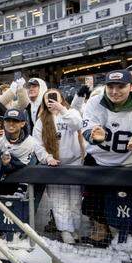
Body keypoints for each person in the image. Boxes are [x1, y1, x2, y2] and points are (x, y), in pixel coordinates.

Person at [80, 70, 132, 246]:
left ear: (131, 87)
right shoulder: (95, 101)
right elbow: (86, 128)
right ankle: (101, 233)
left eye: (120, 86)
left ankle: (129, 237)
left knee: (126, 203)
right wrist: (93, 134)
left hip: (128, 162)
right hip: (97, 159)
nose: (115, 91)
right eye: (110, 86)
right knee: (92, 202)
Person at [32, 89, 84, 244]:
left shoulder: (72, 112)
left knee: (75, 201)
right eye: (48, 99)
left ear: (61, 98)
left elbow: (77, 124)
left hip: (74, 163)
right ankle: (65, 231)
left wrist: (61, 109)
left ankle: (75, 229)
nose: (51, 101)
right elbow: (37, 143)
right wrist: (47, 158)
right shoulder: (41, 120)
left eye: (54, 97)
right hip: (55, 166)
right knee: (59, 201)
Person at [0, 108, 38, 183]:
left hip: (17, 178)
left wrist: (7, 163)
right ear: (4, 123)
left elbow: (22, 165)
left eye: (15, 121)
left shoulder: (30, 142)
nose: (11, 123)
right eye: (8, 120)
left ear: (22, 123)